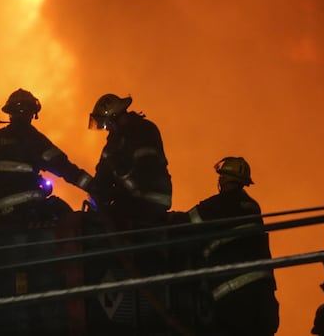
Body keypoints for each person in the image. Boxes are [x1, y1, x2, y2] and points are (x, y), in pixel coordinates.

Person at [0, 88, 94, 226]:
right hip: (28, 211)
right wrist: (94, 186)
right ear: (32, 113)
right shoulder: (32, 138)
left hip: (0, 216)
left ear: (10, 113)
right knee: (63, 212)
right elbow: (63, 166)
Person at [186, 156, 280, 336]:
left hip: (234, 299)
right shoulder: (252, 206)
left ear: (223, 180)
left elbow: (187, 222)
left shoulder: (220, 204)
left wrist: (164, 219)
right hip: (263, 296)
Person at [88, 93, 172, 228]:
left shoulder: (144, 131)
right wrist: (97, 192)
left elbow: (145, 174)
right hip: (131, 199)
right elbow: (103, 174)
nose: (107, 129)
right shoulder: (114, 142)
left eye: (106, 125)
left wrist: (117, 172)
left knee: (114, 224)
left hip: (152, 199)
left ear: (114, 118)